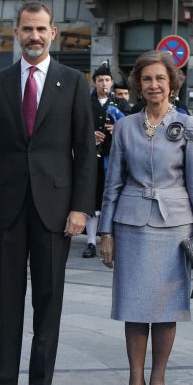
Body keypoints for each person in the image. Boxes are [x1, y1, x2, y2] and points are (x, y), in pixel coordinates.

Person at [0, 0, 96, 385]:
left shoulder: (73, 83)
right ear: (16, 33)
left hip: (55, 210)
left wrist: (81, 209)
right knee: (6, 303)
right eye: (27, 29)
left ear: (54, 32)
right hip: (5, 210)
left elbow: (86, 154)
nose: (34, 36)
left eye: (41, 29)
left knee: (48, 301)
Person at [98, 50, 193, 385]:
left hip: (175, 226)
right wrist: (105, 231)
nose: (153, 85)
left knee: (167, 310)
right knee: (135, 308)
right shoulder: (124, 126)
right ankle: (135, 380)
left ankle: (159, 382)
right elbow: (113, 182)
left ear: (172, 83)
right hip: (131, 226)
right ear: (138, 83)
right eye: (147, 78)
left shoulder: (189, 126)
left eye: (160, 78)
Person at [85, 64, 130, 260]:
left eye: (107, 80)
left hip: (114, 157)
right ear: (94, 82)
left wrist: (118, 128)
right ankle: (91, 242)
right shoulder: (85, 102)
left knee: (112, 196)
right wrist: (90, 136)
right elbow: (75, 127)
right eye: (100, 80)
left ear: (111, 83)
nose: (104, 84)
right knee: (92, 197)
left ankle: (112, 239)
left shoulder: (121, 104)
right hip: (91, 158)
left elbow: (133, 128)